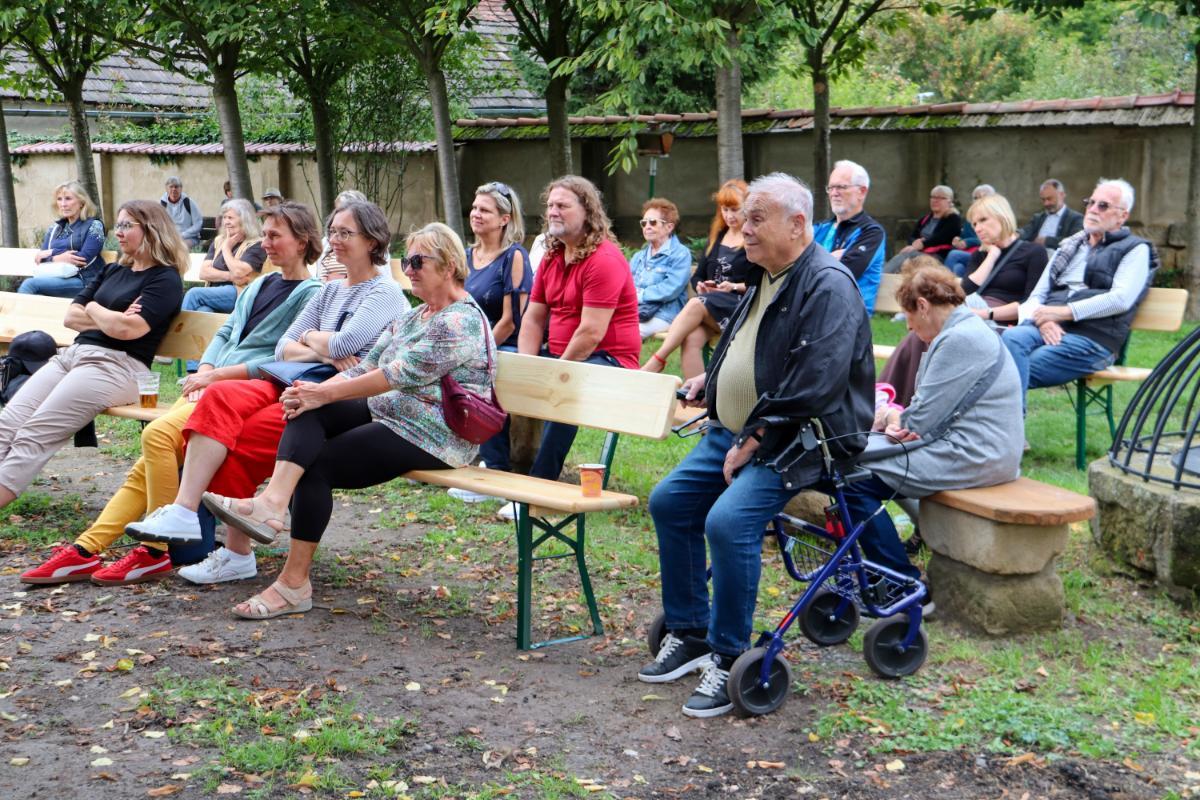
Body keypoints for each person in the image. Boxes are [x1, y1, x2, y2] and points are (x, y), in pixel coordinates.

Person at [638, 173, 874, 718]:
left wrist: (756, 435)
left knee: (728, 523)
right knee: (670, 502)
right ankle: (690, 632)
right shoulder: (766, 272)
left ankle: (728, 655)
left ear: (797, 224)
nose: (743, 228)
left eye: (757, 218)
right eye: (743, 217)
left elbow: (816, 383)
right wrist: (713, 380)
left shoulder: (828, 285)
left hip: (798, 439)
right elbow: (747, 346)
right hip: (736, 430)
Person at [20, 203, 324, 587]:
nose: (264, 243)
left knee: (158, 437)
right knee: (145, 466)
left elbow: (282, 355)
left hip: (247, 390)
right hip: (213, 383)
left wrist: (217, 377)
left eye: (274, 236)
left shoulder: (313, 293)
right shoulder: (260, 284)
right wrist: (205, 371)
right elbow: (226, 333)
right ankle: (86, 549)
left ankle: (155, 551)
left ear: (302, 242)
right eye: (263, 235)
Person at [200, 223, 494, 619]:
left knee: (317, 464)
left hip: (436, 433)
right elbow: (366, 366)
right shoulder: (415, 316)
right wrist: (312, 393)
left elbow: (394, 375)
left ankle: (292, 584)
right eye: (406, 261)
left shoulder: (460, 321)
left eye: (418, 261)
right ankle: (271, 504)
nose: (408, 269)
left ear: (450, 266)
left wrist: (324, 393)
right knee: (308, 408)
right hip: (393, 413)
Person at [125, 200, 406, 565]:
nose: (335, 240)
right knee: (220, 397)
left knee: (245, 436)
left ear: (372, 240)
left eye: (345, 233)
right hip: (302, 381)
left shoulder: (383, 291)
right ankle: (185, 511)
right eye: (333, 231)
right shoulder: (330, 290)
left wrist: (311, 340)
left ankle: (235, 554)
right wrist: (321, 347)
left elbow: (343, 345)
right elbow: (283, 347)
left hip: (342, 397)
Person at [844, 261, 1023, 600]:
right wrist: (896, 422)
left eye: (910, 320)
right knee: (860, 467)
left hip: (979, 455)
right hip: (976, 447)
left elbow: (919, 419)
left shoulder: (960, 339)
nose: (910, 329)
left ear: (923, 306)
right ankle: (893, 571)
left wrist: (889, 417)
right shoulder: (962, 329)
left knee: (853, 482)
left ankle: (902, 583)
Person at [0, 201, 187, 513]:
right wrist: (110, 317)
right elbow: (70, 317)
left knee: (34, 435)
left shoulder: (164, 279)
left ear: (152, 230)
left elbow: (127, 330)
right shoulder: (113, 270)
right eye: (119, 225)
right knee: (7, 424)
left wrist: (95, 308)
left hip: (116, 366)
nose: (119, 232)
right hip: (72, 356)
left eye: (127, 225)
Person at [509, 175, 640, 517]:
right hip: (565, 357)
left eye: (563, 206)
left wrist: (557, 371)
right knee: (500, 368)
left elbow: (591, 332)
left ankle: (537, 490)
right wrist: (528, 366)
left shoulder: (604, 259)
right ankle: (501, 469)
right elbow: (533, 318)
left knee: (568, 387)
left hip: (610, 359)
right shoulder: (552, 256)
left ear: (587, 212)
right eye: (550, 205)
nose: (553, 211)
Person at [1002, 178, 1155, 412]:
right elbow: (1037, 296)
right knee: (1011, 340)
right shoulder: (1069, 246)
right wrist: (1044, 320)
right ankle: (1009, 429)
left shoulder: (1135, 249)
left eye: (1103, 205)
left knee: (1005, 369)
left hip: (1093, 338)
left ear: (1122, 216)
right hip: (1048, 327)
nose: (1093, 209)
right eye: (1090, 203)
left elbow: (1120, 300)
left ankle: (1006, 430)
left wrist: (1062, 313)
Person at [880, 195, 1047, 405]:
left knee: (926, 334)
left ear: (1002, 216)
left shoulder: (1033, 252)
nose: (978, 228)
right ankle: (896, 403)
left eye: (983, 220)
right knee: (921, 335)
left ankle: (896, 402)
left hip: (1000, 323)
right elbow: (962, 292)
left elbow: (1030, 305)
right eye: (974, 224)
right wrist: (992, 256)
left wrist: (985, 314)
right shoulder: (980, 255)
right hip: (969, 313)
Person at [446, 182, 532, 502]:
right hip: (468, 341)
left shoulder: (514, 256)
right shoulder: (466, 257)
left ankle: (495, 469)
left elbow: (512, 320)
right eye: (474, 207)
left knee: (479, 371)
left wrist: (476, 350)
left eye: (485, 210)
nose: (476, 214)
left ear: (504, 219)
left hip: (504, 342)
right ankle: (441, 455)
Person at [642, 179, 749, 380]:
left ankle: (657, 360)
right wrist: (701, 286)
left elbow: (761, 282)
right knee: (691, 339)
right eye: (725, 209)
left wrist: (733, 286)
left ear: (747, 207)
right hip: (711, 305)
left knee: (695, 304)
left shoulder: (753, 238)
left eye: (735, 209)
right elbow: (698, 275)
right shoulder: (718, 236)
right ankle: (696, 395)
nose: (729, 215)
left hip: (742, 306)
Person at [812, 160, 886, 312]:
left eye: (841, 187)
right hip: (814, 310)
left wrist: (811, 258)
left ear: (862, 191)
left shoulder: (871, 232)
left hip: (848, 317)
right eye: (830, 188)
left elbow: (841, 276)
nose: (834, 193)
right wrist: (830, 258)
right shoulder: (819, 228)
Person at [181, 199, 268, 317]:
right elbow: (203, 273)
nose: (226, 222)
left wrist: (226, 248)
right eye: (225, 218)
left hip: (240, 293)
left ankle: (177, 329)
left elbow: (239, 271)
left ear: (245, 220)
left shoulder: (257, 244)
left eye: (230, 218)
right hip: (216, 294)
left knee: (194, 294)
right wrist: (230, 276)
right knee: (204, 311)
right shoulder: (219, 241)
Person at [20, 181, 107, 298]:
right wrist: (56, 258)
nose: (63, 204)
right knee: (32, 288)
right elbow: (41, 258)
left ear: (82, 202)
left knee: (30, 285)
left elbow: (83, 258)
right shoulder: (54, 229)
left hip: (85, 280)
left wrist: (52, 252)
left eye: (68, 199)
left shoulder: (95, 225)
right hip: (57, 277)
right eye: (59, 199)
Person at [629, 197, 693, 338]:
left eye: (653, 222)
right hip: (636, 311)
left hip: (664, 314)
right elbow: (626, 285)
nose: (647, 226)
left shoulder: (680, 254)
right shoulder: (638, 257)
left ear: (669, 227)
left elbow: (671, 288)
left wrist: (640, 295)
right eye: (644, 223)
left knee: (627, 333)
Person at [883, 185, 962, 272]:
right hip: (919, 252)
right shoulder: (925, 219)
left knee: (907, 256)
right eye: (933, 197)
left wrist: (922, 244)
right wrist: (914, 244)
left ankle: (883, 275)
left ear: (949, 201)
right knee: (904, 256)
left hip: (937, 256)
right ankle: (884, 274)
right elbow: (912, 236)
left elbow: (942, 237)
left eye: (940, 198)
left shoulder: (953, 218)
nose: (935, 200)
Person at [315, 190, 369, 282]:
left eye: (345, 210)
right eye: (337, 210)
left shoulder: (371, 245)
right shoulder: (326, 242)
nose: (339, 215)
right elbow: (320, 275)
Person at [944, 184, 996, 277]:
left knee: (954, 255)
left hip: (985, 254)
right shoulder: (971, 216)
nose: (978, 200)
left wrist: (968, 242)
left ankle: (943, 283)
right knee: (958, 268)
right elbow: (965, 236)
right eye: (976, 198)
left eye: (983, 197)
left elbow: (992, 238)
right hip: (970, 253)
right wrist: (959, 240)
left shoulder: (995, 217)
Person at [1019, 179, 1084, 252]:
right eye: (1043, 200)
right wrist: (1017, 234)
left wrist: (1047, 241)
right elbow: (1026, 231)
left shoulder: (1076, 218)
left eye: (1049, 199)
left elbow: (1075, 240)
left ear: (1062, 195)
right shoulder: (1038, 218)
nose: (1046, 203)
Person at [161, 176, 203, 248]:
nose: (174, 189)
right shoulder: (162, 205)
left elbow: (198, 223)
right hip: (170, 238)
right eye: (171, 187)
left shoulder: (189, 202)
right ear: (166, 189)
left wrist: (182, 235)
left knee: (180, 247)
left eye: (176, 187)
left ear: (181, 189)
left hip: (189, 238)